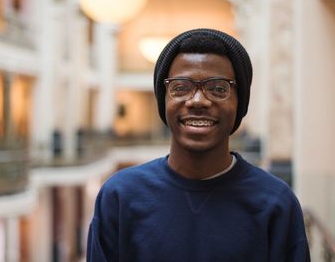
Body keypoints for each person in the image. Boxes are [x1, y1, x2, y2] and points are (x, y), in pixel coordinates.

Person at [86, 28, 310, 262]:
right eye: (181, 88)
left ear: (240, 103)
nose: (198, 101)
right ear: (164, 100)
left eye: (218, 89)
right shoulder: (120, 196)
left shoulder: (275, 202)